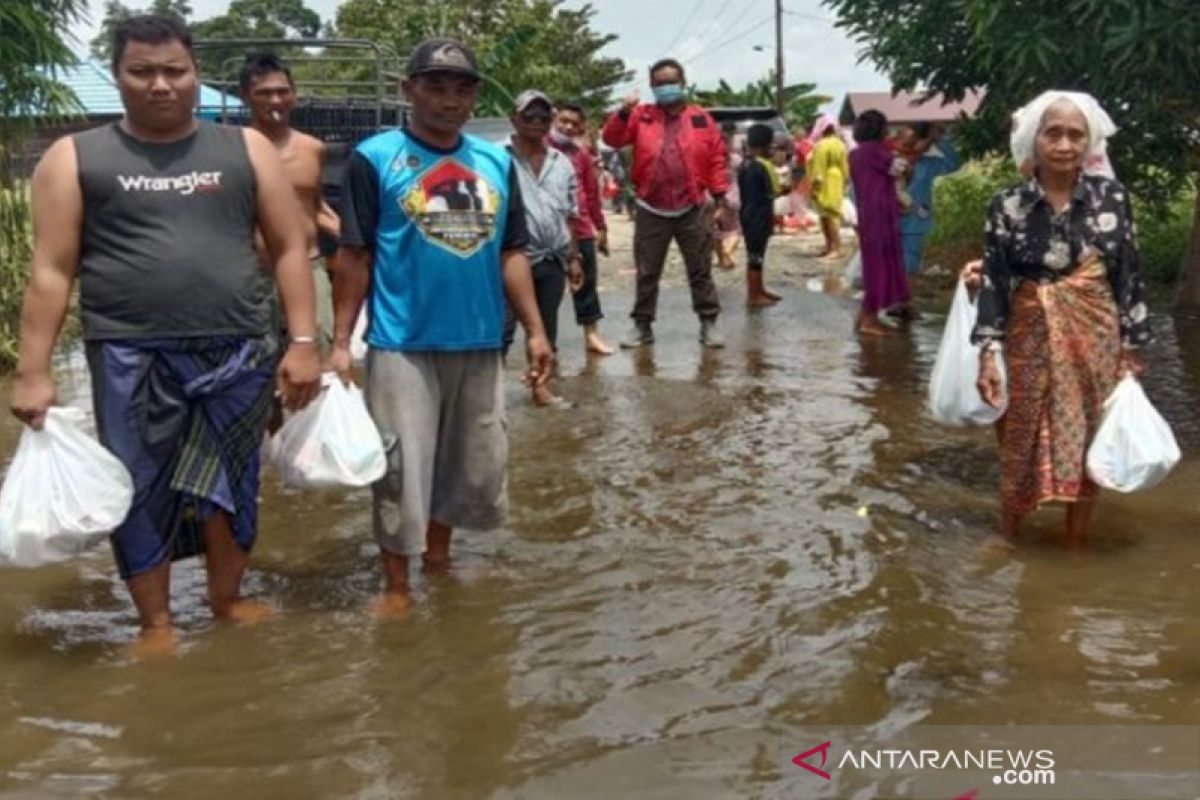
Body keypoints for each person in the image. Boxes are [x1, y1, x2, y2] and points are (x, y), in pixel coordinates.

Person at [8, 14, 321, 654]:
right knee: (138, 485)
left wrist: (303, 341)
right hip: (127, 350)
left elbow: (291, 247)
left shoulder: (246, 148)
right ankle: (157, 626)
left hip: (235, 347)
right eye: (142, 72)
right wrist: (33, 369)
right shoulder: (74, 157)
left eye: (174, 71)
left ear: (196, 74)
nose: (160, 85)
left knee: (233, 483)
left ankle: (227, 602)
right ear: (118, 76)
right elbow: (50, 269)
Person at [329, 38, 553, 615]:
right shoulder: (375, 158)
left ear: (475, 95)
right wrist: (337, 344)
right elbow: (354, 256)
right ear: (409, 90)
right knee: (400, 468)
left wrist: (535, 330)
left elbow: (512, 252)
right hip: (402, 342)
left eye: (462, 88)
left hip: (480, 340)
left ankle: (439, 560)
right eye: (435, 86)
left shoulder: (495, 163)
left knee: (467, 466)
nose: (449, 100)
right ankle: (398, 588)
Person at [971, 91, 1150, 547]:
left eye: (1076, 135)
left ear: (1090, 143)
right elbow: (995, 282)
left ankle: (1075, 540)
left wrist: (1131, 348)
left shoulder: (1112, 199)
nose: (1065, 144)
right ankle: (1008, 531)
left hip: (1096, 330)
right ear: (1035, 140)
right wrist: (988, 355)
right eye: (1054, 133)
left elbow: (1129, 273)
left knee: (1088, 430)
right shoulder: (1007, 205)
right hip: (1028, 328)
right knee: (1020, 426)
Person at [601, 58, 731, 349]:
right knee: (647, 271)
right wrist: (623, 110)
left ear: (683, 83)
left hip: (693, 207)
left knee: (700, 269)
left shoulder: (700, 119)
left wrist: (720, 197)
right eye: (659, 83)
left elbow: (717, 158)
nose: (665, 87)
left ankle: (709, 322)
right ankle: (642, 325)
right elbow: (612, 138)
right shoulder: (640, 116)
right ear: (651, 87)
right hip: (651, 208)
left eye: (671, 81)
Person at [240, 53, 341, 345]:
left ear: (294, 95)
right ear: (246, 96)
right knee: (255, 363)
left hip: (309, 267)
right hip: (253, 274)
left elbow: (315, 205)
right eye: (264, 93)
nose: (275, 100)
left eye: (283, 91)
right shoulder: (233, 149)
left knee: (317, 351)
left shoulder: (312, 149)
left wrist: (354, 236)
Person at [504, 90, 584, 405]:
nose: (536, 122)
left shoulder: (561, 162)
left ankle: (540, 388)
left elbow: (570, 214)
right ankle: (486, 396)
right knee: (501, 329)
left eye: (543, 117)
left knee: (544, 329)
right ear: (514, 118)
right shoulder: (499, 158)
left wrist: (573, 257)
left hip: (552, 257)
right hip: (510, 258)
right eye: (528, 116)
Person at [549, 101, 616, 355]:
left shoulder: (582, 156)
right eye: (563, 121)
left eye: (574, 124)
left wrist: (601, 227)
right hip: (549, 231)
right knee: (548, 289)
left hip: (581, 228)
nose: (567, 127)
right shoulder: (540, 149)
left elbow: (590, 193)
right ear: (554, 120)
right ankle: (547, 342)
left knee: (586, 286)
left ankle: (591, 335)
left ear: (581, 128)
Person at [849, 109, 910, 336]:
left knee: (873, 264)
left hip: (868, 213)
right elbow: (900, 168)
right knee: (880, 266)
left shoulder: (856, 154)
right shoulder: (875, 151)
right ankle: (869, 317)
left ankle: (866, 314)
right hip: (880, 214)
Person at [895, 122, 961, 275]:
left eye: (914, 143)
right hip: (888, 222)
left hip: (915, 224)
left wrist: (940, 140)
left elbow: (955, 163)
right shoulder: (886, 162)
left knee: (909, 264)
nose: (908, 148)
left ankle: (904, 293)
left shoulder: (928, 165)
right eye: (905, 143)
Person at [738, 124, 782, 307]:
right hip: (760, 215)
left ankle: (758, 290)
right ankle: (754, 295)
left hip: (747, 213)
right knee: (757, 256)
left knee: (753, 255)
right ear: (767, 145)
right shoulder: (764, 166)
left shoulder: (744, 164)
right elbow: (775, 191)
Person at [807, 113, 849, 259]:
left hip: (825, 180)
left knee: (828, 215)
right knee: (829, 215)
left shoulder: (821, 145)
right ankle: (831, 247)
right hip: (837, 179)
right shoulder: (840, 144)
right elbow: (845, 167)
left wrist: (814, 187)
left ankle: (835, 247)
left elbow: (818, 169)